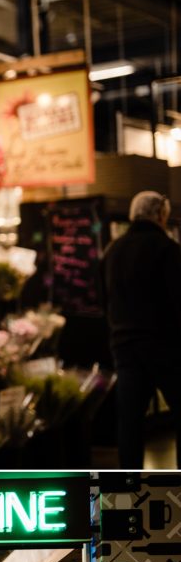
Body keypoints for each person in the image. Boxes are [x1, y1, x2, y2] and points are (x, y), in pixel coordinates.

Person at [99, 190, 181, 468]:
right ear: (160, 215)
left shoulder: (112, 251)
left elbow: (101, 300)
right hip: (164, 346)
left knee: (130, 421)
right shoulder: (167, 249)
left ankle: (128, 482)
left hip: (124, 346)